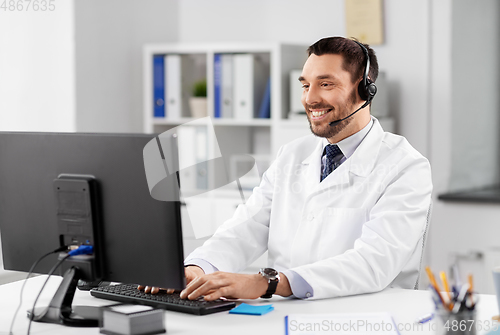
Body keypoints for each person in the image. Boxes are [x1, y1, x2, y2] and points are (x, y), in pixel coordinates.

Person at [140, 36, 433, 301]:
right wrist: (198, 267)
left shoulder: (406, 167)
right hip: (289, 315)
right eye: (306, 85)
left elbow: (374, 263)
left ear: (365, 90)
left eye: (326, 84)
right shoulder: (292, 154)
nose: (310, 98)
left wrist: (268, 283)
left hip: (366, 318)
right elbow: (247, 226)